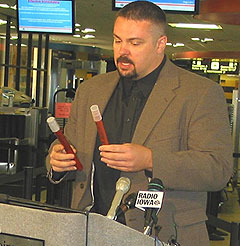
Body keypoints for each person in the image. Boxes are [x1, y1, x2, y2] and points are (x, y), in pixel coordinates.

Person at [47, 1, 233, 245]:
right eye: (117, 40)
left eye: (135, 43)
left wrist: (150, 160)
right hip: (90, 229)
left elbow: (217, 169)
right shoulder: (91, 91)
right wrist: (56, 159)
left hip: (164, 232)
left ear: (160, 44)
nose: (123, 51)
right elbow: (68, 147)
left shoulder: (199, 93)